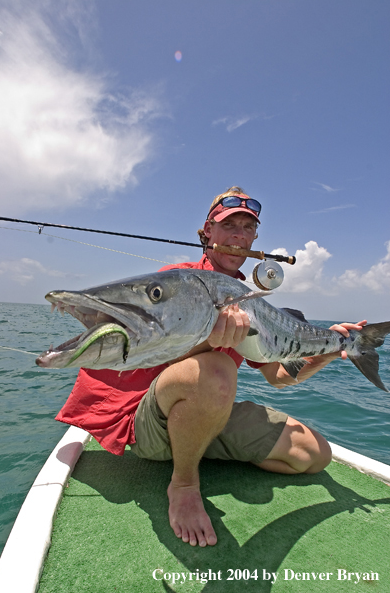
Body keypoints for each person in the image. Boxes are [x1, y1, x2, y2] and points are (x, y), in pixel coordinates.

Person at [56, 186, 366, 549]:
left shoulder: (249, 300)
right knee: (217, 366)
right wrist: (211, 341)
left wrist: (326, 352)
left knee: (313, 455)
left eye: (247, 228)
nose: (238, 234)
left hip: (204, 411)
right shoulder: (178, 280)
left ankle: (197, 445)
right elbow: (159, 350)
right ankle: (184, 484)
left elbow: (280, 376)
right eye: (228, 225)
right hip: (149, 420)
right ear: (207, 233)